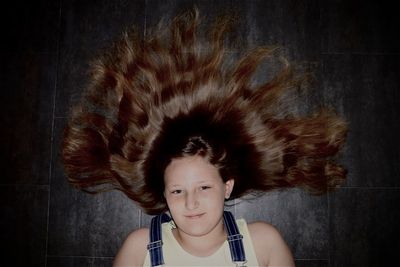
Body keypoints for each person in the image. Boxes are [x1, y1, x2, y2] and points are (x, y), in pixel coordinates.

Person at [62, 8, 347, 267]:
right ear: (164, 194)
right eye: (177, 191)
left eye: (204, 188)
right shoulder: (139, 249)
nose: (191, 202)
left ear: (227, 187)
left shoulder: (264, 245)